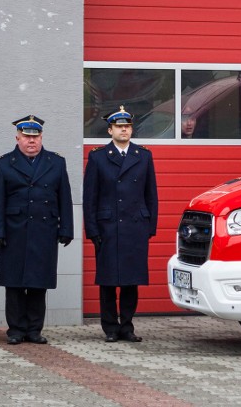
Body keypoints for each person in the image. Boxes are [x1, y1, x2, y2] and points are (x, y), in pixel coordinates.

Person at [0, 115, 74, 345]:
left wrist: (66, 228)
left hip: (44, 230)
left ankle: (34, 330)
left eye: (35, 137)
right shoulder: (3, 164)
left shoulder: (56, 163)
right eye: (27, 136)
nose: (31, 141)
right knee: (14, 283)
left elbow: (64, 197)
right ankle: (16, 329)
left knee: (39, 282)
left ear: (42, 137)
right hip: (14, 231)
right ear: (17, 138)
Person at [83, 106, 158, 342]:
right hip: (108, 228)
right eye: (119, 126)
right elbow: (90, 197)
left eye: (127, 126)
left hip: (134, 226)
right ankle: (110, 328)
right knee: (107, 281)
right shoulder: (97, 157)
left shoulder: (143, 156)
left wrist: (150, 226)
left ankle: (127, 326)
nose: (124, 130)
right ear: (110, 130)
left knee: (130, 281)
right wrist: (92, 229)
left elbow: (151, 195)